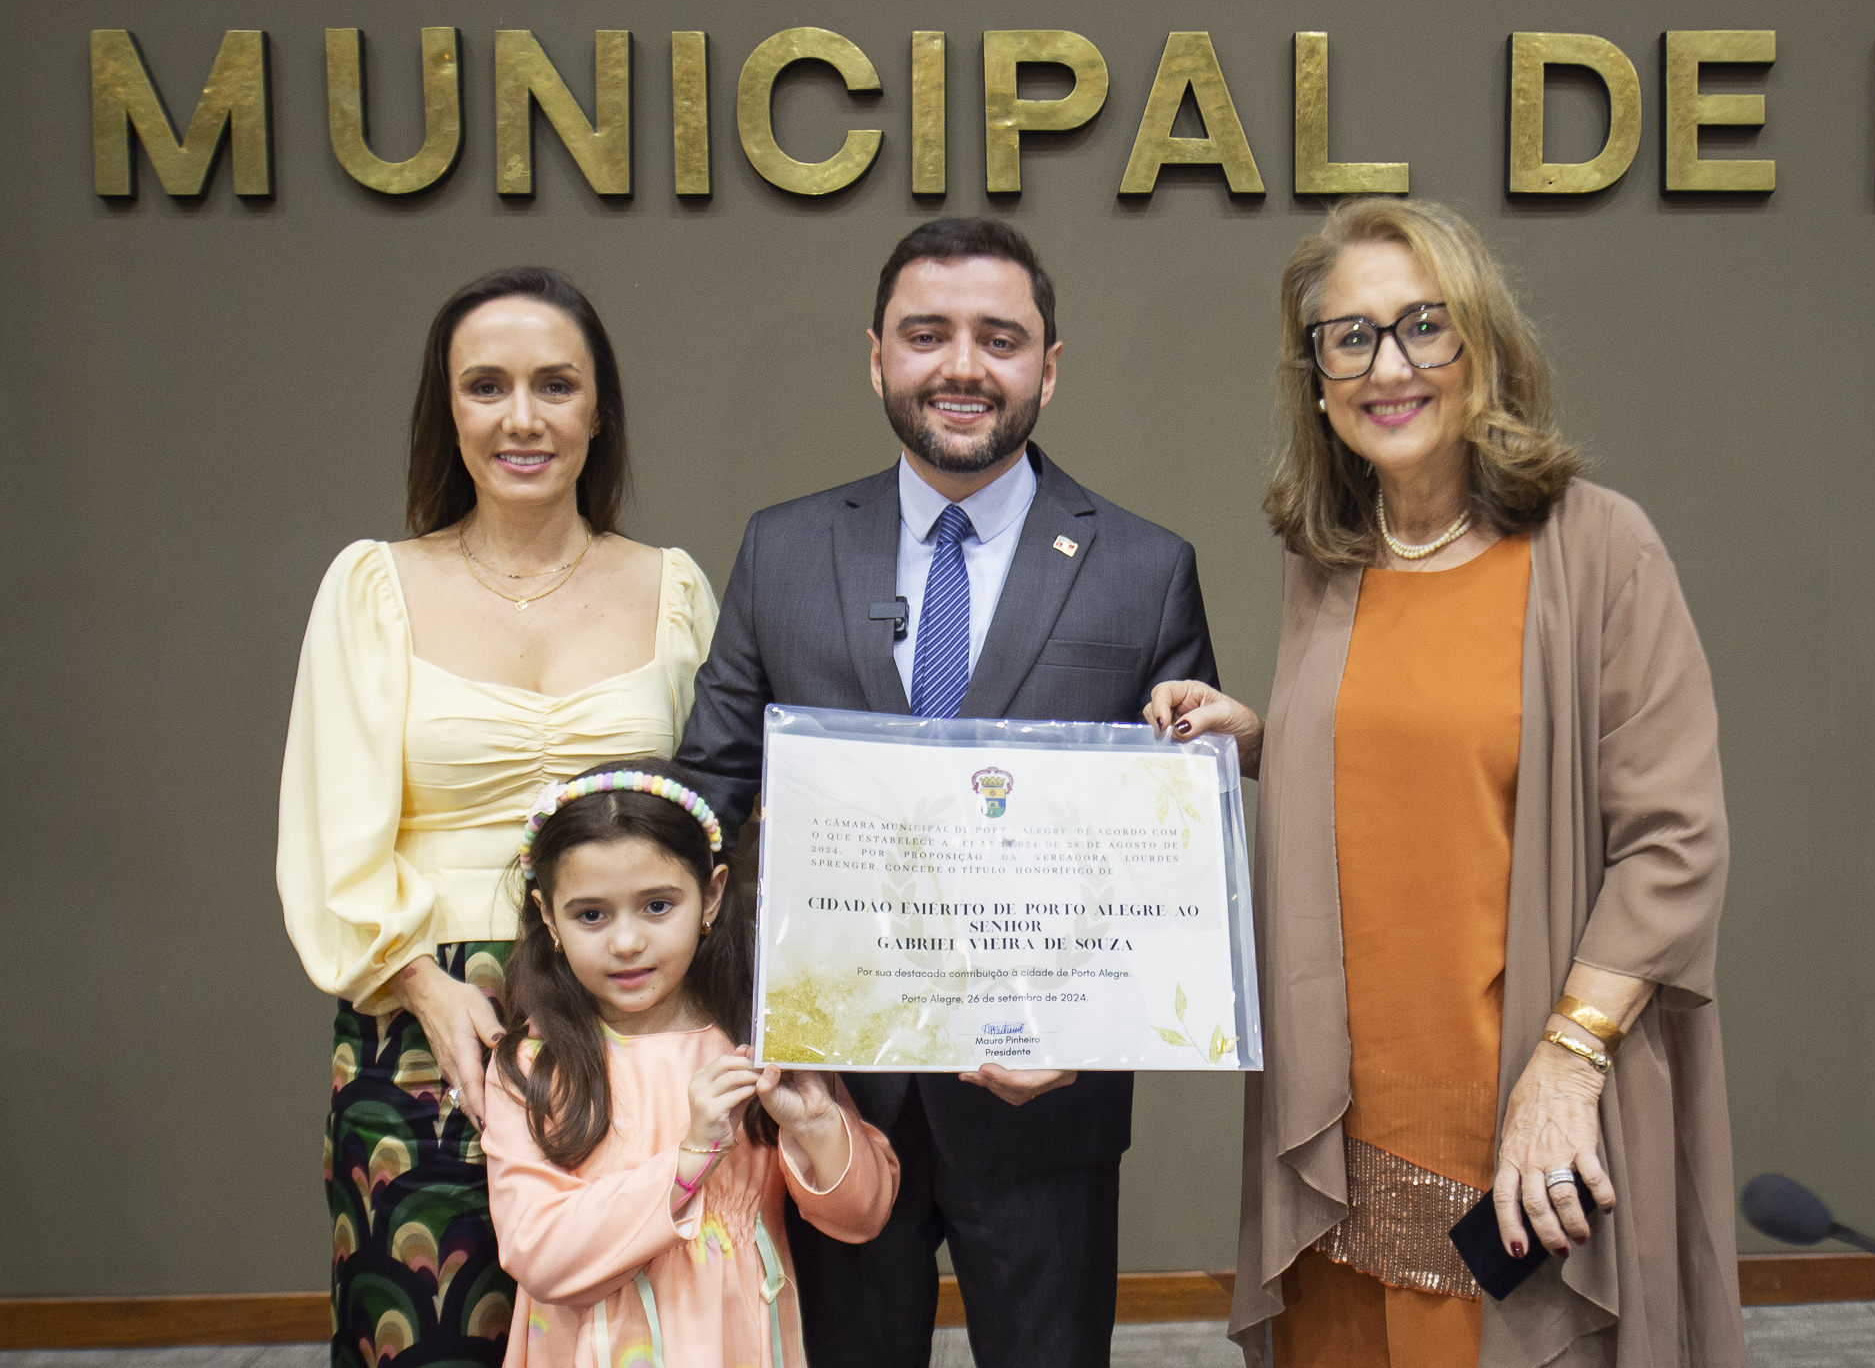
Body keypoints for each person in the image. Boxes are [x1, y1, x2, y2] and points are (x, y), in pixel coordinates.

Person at [1147, 198, 1744, 1368]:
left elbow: (1673, 840)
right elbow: (1417, 758)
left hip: (1522, 1106)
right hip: (1341, 1118)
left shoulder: (1597, 547)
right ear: (1314, 375)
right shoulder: (1327, 557)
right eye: (1349, 336)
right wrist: (1262, 739)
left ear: (1483, 347)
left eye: (1423, 326)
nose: (1388, 366)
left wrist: (1566, 1064)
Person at [675, 217, 1219, 1368]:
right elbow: (708, 802)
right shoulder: (782, 549)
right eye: (927, 334)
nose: (961, 366)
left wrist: (1086, 1021)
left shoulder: (1142, 566)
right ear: (877, 357)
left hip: (1043, 1102)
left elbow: (1165, 850)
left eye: (998, 337)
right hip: (829, 1095)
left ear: (1048, 367)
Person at [277, 267, 719, 1367]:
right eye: (485, 386)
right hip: (428, 1015)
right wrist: (421, 983)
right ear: (448, 408)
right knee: (425, 1335)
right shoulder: (371, 586)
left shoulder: (673, 589)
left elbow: (720, 819)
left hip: (632, 1008)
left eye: (554, 384)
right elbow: (330, 829)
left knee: (640, 1329)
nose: (521, 417)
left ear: (597, 407)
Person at [483, 758, 899, 1368]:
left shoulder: (756, 1043)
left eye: (657, 906)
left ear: (711, 897)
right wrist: (687, 1160)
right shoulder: (534, 1065)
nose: (626, 942)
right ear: (549, 918)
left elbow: (862, 1215)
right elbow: (537, 1251)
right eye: (591, 914)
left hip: (736, 1339)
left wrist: (815, 1124)